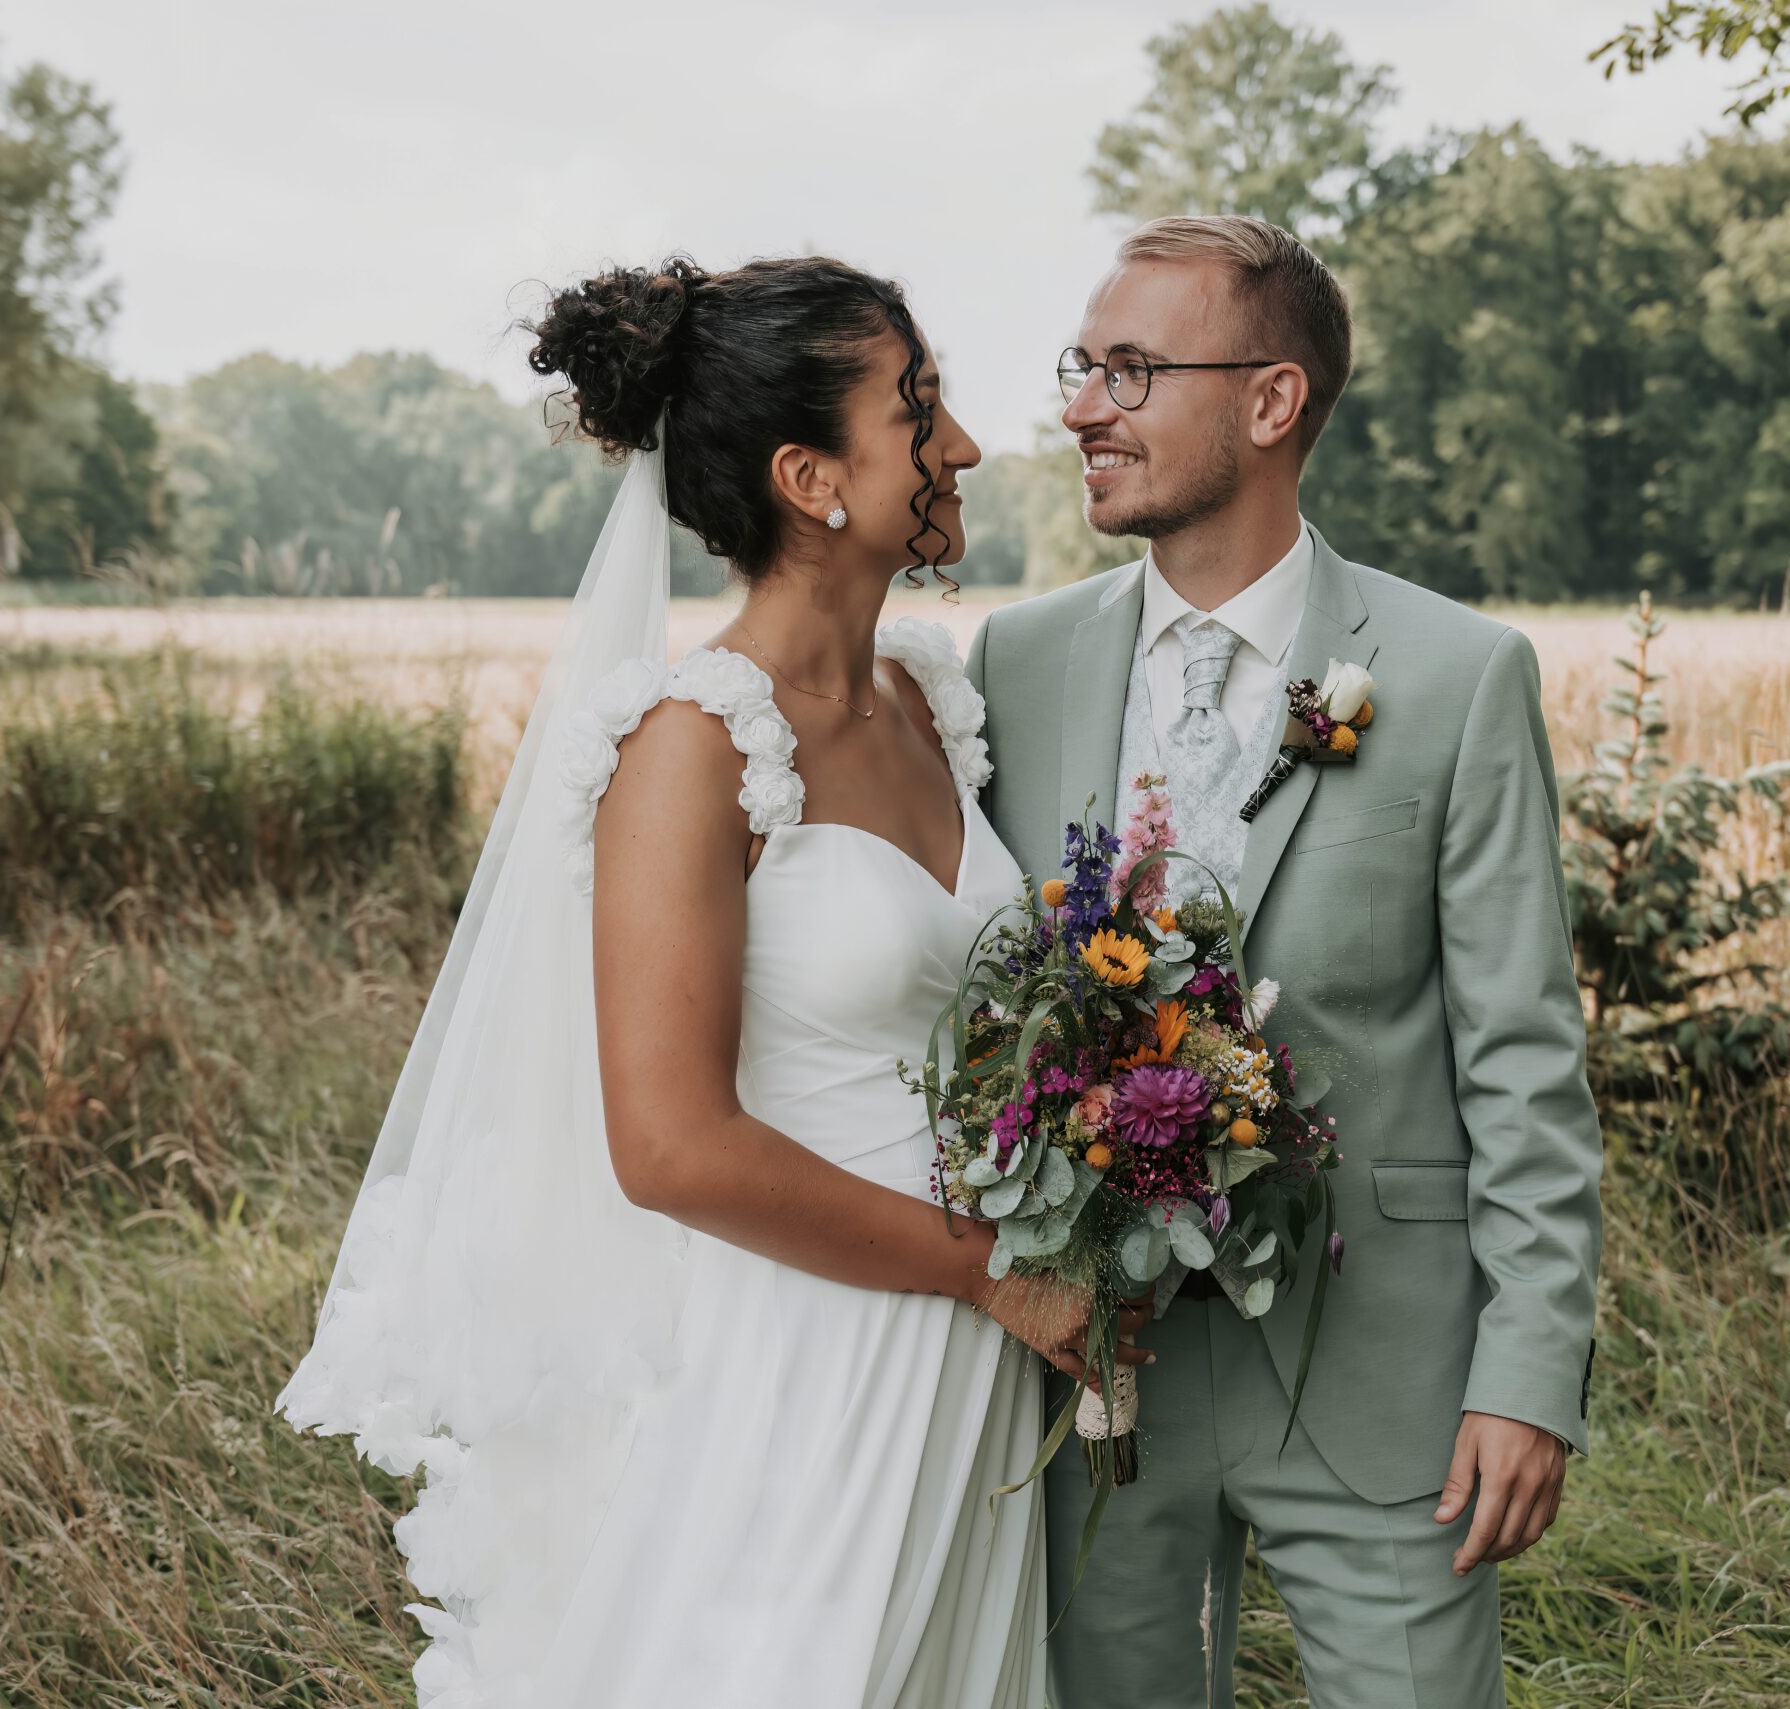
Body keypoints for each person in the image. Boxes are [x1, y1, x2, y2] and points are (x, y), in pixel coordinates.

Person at [275, 255, 1138, 1708]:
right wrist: (990, 1267)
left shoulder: (938, 699)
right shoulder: (691, 747)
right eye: (920, 410)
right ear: (813, 476)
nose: (969, 446)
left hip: (977, 1370)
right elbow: (670, 1145)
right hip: (813, 1356)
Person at [964, 214, 1604, 1709]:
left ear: (1271, 401)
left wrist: (1528, 1372)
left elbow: (1522, 1063)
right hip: (1092, 1387)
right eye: (1081, 366)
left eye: (1128, 370)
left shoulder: (1455, 674)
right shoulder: (1015, 659)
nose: (1078, 408)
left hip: (1382, 1375)